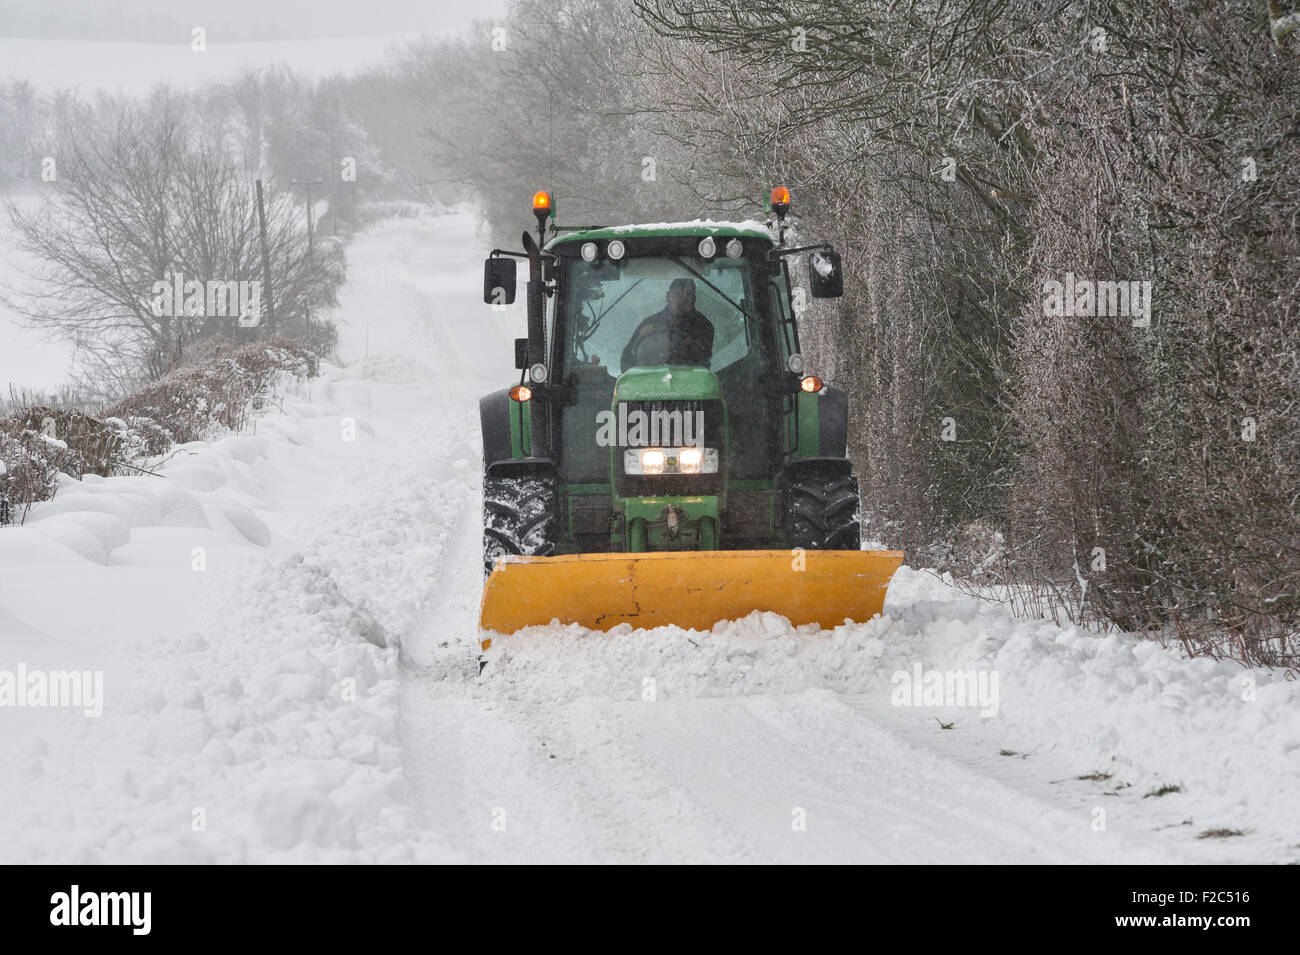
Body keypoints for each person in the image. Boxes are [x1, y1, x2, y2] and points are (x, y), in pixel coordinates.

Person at [620, 278, 714, 369]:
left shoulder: (703, 326)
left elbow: (703, 364)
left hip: (689, 381)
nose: (682, 300)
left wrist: (692, 344)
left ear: (694, 299)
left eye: (688, 295)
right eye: (677, 295)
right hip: (650, 381)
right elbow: (626, 362)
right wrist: (641, 337)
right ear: (668, 296)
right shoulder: (649, 323)